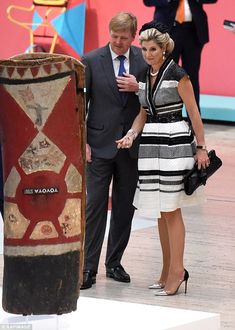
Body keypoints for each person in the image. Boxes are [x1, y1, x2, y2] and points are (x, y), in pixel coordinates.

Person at [116, 21, 210, 296]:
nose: (147, 53)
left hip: (174, 143)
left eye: (153, 49)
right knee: (159, 211)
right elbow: (144, 113)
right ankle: (167, 269)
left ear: (164, 48)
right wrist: (132, 134)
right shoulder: (145, 75)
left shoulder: (179, 75)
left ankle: (177, 272)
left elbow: (193, 113)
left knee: (170, 209)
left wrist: (201, 147)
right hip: (151, 144)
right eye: (144, 49)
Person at [80, 12, 148, 289]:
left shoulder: (144, 60)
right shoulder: (91, 60)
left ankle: (114, 263)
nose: (118, 42)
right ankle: (88, 268)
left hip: (131, 147)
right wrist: (82, 140)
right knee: (95, 206)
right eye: (114, 36)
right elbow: (79, 103)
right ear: (109, 33)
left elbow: (154, 100)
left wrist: (139, 87)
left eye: (124, 38)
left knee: (123, 208)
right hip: (97, 146)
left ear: (133, 37)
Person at [142, 0, 218, 114]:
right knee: (165, 75)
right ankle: (164, 117)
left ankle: (194, 123)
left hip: (193, 31)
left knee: (191, 77)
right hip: (167, 31)